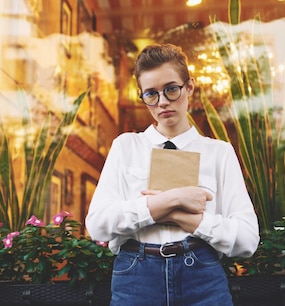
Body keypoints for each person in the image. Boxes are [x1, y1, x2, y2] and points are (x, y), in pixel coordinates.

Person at [86, 43, 259, 305]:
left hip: (202, 276)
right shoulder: (126, 146)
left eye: (171, 89)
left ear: (189, 86)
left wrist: (184, 217)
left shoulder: (219, 153)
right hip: (136, 277)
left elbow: (247, 240)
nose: (163, 101)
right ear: (142, 96)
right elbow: (98, 225)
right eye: (151, 94)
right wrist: (175, 199)